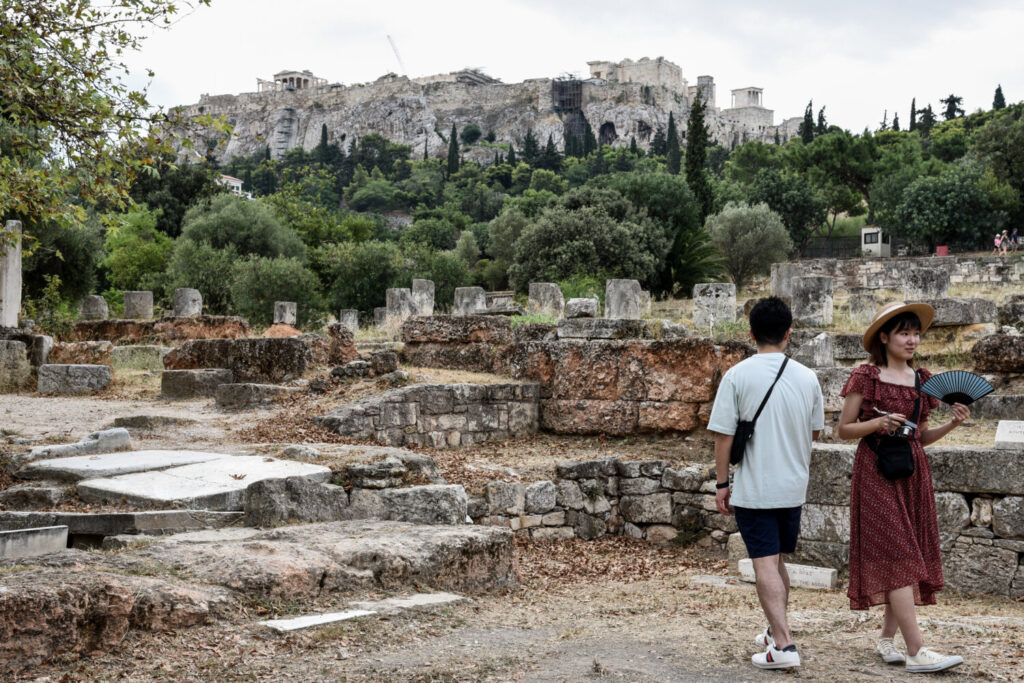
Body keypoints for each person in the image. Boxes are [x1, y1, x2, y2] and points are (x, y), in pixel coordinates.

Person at [837, 302, 970, 674]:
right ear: (885, 336)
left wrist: (953, 425)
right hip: (875, 471)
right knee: (899, 553)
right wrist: (878, 424)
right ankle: (917, 650)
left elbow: (922, 437)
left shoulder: (922, 379)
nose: (913, 340)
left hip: (912, 472)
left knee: (907, 552)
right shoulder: (867, 376)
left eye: (916, 333)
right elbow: (843, 429)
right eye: (904, 333)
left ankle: (886, 638)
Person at [708, 296, 824, 671]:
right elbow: (816, 432)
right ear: (788, 333)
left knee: (763, 565)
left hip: (757, 487)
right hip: (793, 487)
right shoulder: (808, 377)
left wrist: (721, 483)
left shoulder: (737, 375)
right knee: (776, 562)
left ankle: (784, 646)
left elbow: (723, 436)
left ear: (751, 333)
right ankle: (777, 632)